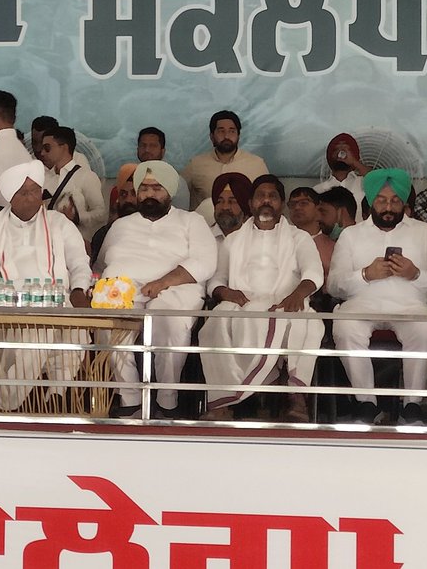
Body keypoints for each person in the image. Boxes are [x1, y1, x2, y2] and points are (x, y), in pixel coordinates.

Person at [0, 161, 93, 410]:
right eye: (23, 192)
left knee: (39, 324)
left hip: (48, 297)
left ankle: (31, 393)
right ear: (11, 197)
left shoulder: (59, 223)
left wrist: (78, 290)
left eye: (35, 190)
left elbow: (79, 263)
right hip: (0, 296)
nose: (32, 197)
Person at [96, 161, 217, 419]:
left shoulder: (190, 221)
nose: (149, 194)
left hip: (175, 289)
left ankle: (166, 398)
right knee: (107, 320)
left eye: (157, 188)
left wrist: (162, 283)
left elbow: (205, 262)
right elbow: (101, 263)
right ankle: (129, 397)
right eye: (144, 188)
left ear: (170, 191)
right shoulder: (121, 226)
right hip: (126, 292)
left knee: (168, 320)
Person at [199, 175, 323, 422]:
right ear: (251, 202)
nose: (266, 201)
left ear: (281, 203)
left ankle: (295, 397)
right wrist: (228, 294)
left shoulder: (300, 238)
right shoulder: (233, 240)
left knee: (304, 322)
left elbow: (314, 274)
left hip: (286, 302)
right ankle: (224, 401)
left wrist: (297, 295)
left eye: (272, 196)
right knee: (213, 326)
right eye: (260, 196)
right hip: (242, 303)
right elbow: (216, 281)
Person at [326, 169, 427, 426]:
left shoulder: (426, 233)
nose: (388, 206)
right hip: (361, 306)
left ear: (404, 202)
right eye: (381, 200)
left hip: (411, 307)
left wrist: (415, 274)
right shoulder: (351, 235)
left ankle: (412, 405)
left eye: (394, 200)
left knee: (424, 330)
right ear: (370, 202)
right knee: (345, 327)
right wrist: (366, 275)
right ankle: (366, 403)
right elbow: (334, 285)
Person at [181, 109, 269, 211]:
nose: (226, 136)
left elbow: (266, 199)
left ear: (238, 136)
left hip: (244, 225)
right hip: (204, 225)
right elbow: (177, 195)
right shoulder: (195, 165)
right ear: (212, 136)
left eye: (232, 131)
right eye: (221, 131)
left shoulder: (256, 164)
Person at [39, 125, 106, 242]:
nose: (42, 153)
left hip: (76, 243)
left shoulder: (86, 176)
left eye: (47, 148)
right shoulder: (44, 177)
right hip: (47, 241)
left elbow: (101, 213)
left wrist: (78, 217)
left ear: (64, 148)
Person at [90, 163, 139, 262]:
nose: (128, 199)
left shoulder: (157, 229)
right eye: (123, 194)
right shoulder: (103, 234)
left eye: (134, 193)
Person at [287, 186, 334, 278]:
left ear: (318, 207)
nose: (297, 208)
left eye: (303, 203)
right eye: (292, 204)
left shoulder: (332, 244)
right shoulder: (283, 239)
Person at [313, 132, 369, 207]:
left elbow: (380, 180)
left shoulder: (364, 184)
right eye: (336, 149)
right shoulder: (317, 191)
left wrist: (354, 162)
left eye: (347, 150)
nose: (341, 153)